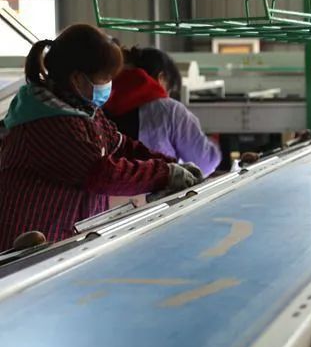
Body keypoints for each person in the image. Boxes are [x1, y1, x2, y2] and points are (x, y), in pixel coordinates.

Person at [0, 25, 202, 249]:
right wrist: (165, 174)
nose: (109, 86)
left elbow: (120, 144)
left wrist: (171, 165)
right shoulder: (48, 122)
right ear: (77, 79)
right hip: (30, 241)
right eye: (105, 78)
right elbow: (101, 173)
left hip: (65, 236)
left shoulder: (81, 110)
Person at [105, 46, 221, 176]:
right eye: (169, 90)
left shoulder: (101, 103)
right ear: (161, 78)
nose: (167, 96)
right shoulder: (169, 110)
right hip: (154, 187)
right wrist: (216, 143)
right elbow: (205, 163)